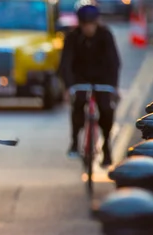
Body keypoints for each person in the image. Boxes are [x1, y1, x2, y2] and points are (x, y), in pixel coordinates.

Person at [59, 1, 121, 166]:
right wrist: (68, 87)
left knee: (107, 110)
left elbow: (113, 62)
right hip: (80, 79)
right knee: (78, 105)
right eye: (85, 25)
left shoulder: (105, 35)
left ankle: (106, 147)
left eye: (91, 24)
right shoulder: (72, 37)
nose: (88, 29)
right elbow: (66, 63)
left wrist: (113, 87)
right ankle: (74, 142)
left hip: (102, 79)